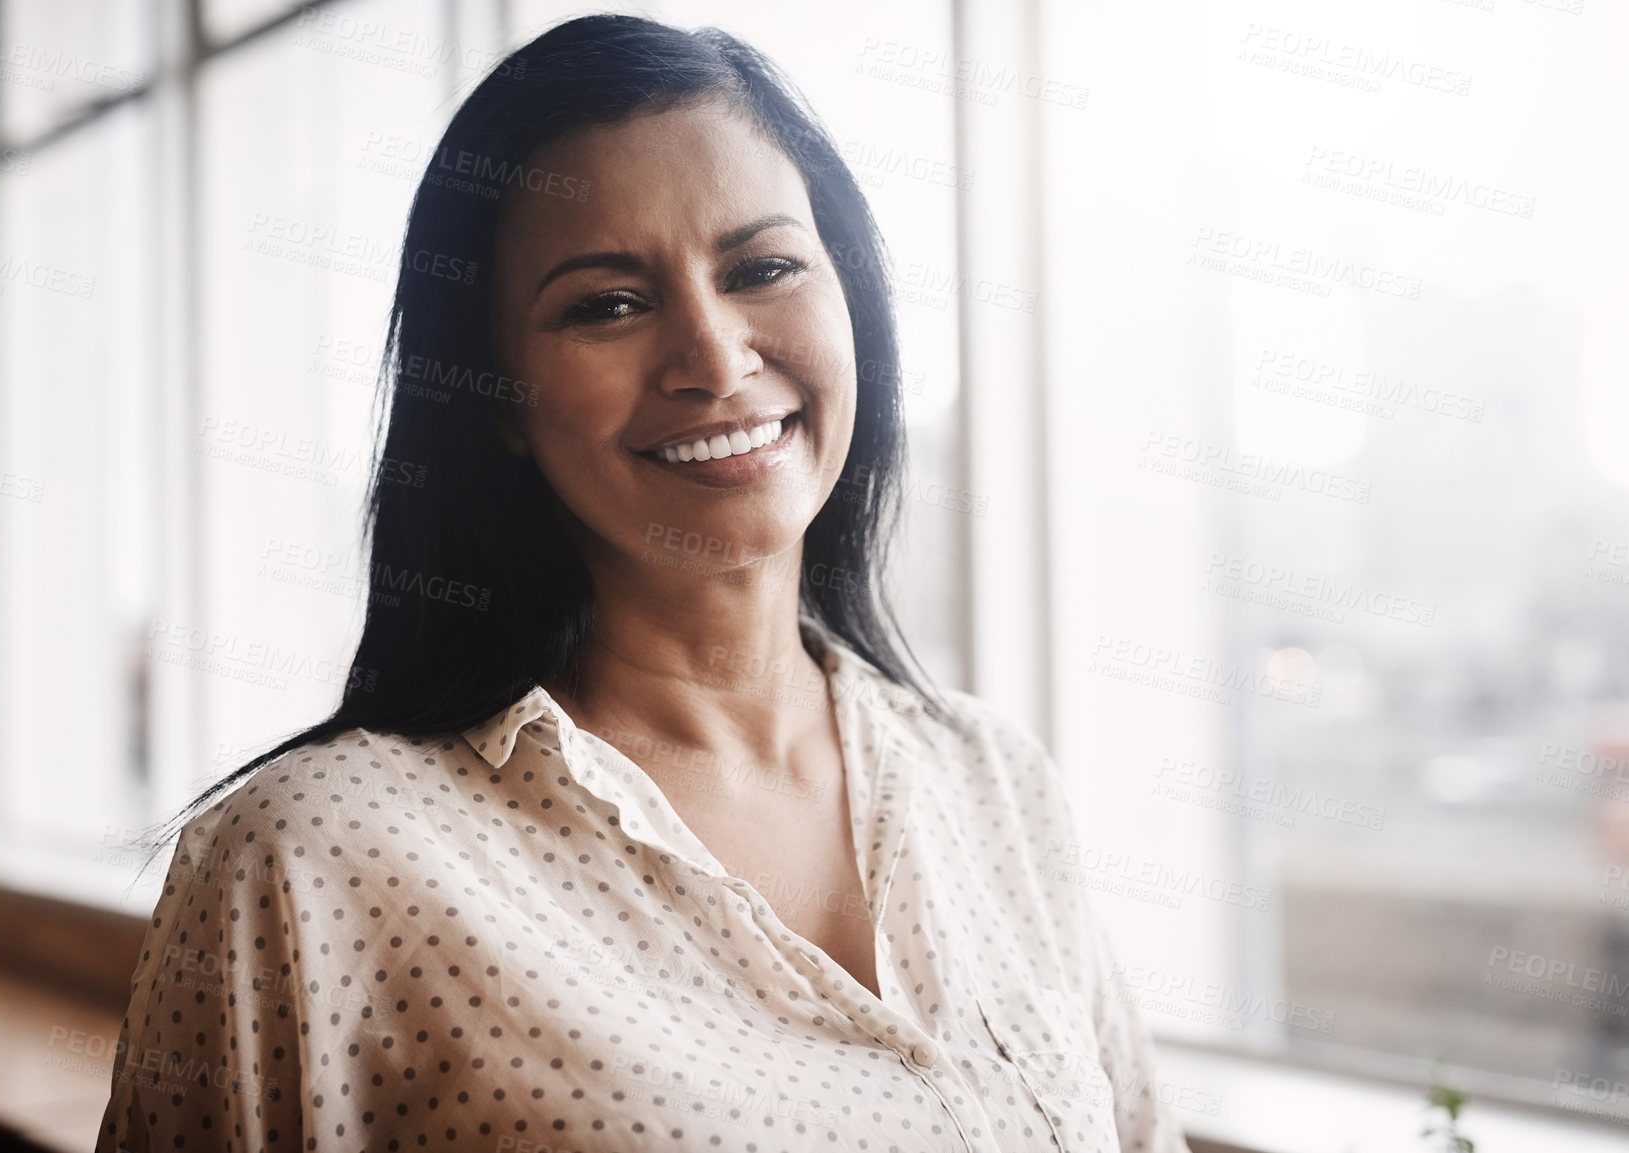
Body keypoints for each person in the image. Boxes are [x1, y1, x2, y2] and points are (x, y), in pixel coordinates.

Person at [97, 14, 1191, 1153]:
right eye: (606, 304)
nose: (715, 358)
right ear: (496, 397)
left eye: (762, 268)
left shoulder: (992, 785)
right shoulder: (313, 857)